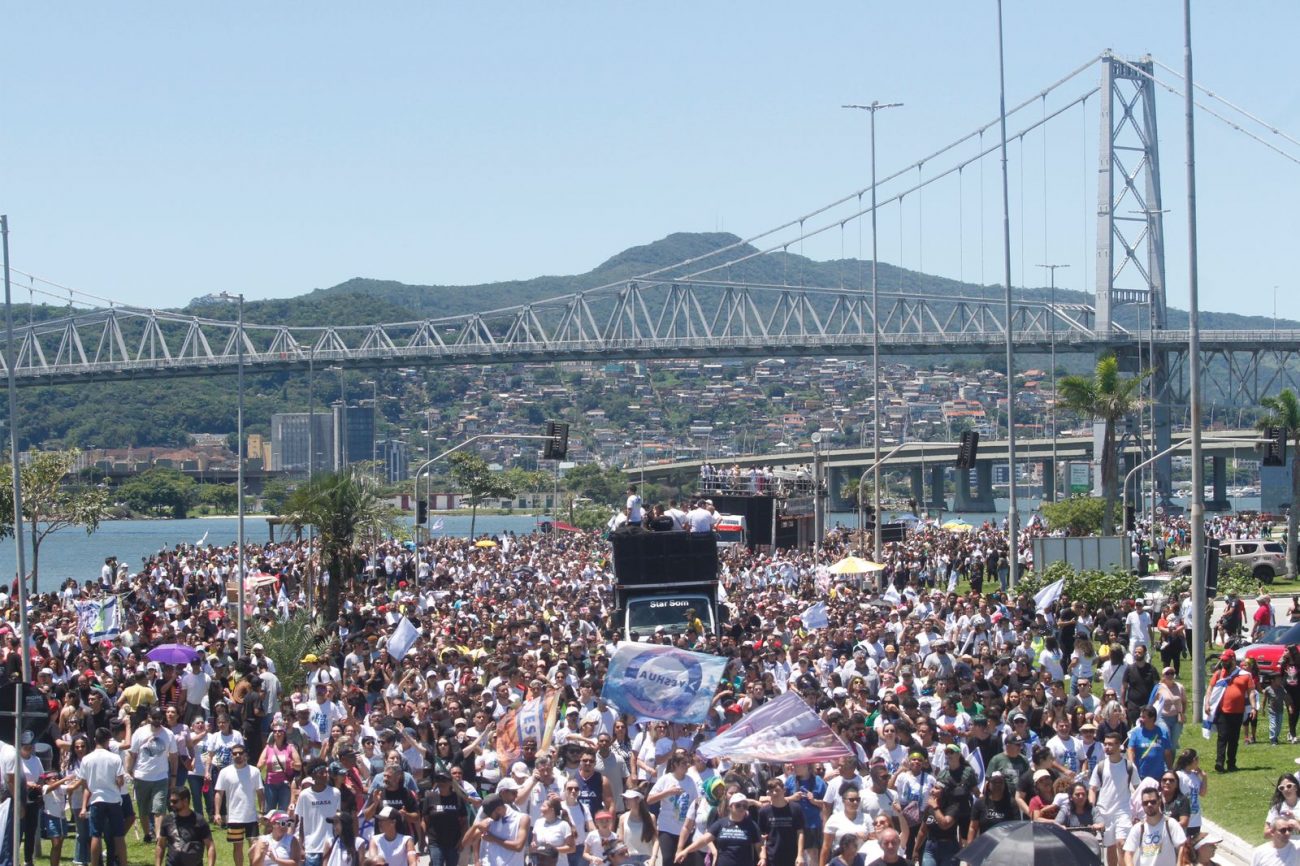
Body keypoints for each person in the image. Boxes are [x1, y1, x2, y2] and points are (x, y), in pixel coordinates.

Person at [76, 726, 129, 866]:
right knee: (119, 835)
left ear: (95, 740)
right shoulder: (115, 758)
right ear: (107, 741)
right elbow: (120, 781)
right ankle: (123, 863)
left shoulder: (86, 759)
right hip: (113, 799)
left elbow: (83, 782)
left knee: (96, 835)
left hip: (96, 800)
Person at [129, 706, 179, 845]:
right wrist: (129, 770)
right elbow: (132, 753)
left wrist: (173, 776)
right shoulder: (139, 733)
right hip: (141, 776)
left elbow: (174, 757)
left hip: (161, 777)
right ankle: (147, 834)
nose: (156, 720)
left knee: (159, 808)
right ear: (148, 717)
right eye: (154, 717)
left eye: (159, 718)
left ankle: (158, 836)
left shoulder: (168, 734)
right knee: (143, 809)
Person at [1090, 732, 1139, 866]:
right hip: (1104, 810)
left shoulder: (1129, 766)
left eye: (1111, 744)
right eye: (1105, 744)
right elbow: (1093, 789)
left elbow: (1138, 788)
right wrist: (1091, 807)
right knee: (1110, 847)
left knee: (1122, 843)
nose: (1107, 747)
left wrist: (1138, 811)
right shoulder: (1100, 766)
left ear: (1119, 746)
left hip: (1123, 810)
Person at [674, 793, 761, 866]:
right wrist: (686, 850)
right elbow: (704, 840)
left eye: (745, 806)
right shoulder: (721, 824)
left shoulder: (751, 825)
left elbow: (759, 846)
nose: (741, 808)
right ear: (730, 807)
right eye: (738, 805)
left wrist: (763, 858)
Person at [215, 741, 265, 866]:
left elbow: (260, 793)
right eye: (234, 753)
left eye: (240, 753)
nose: (237, 755)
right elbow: (219, 793)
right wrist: (217, 813)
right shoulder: (225, 772)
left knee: (254, 846)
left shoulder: (254, 771)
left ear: (245, 755)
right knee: (237, 847)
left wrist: (262, 811)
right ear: (231, 755)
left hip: (251, 816)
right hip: (234, 817)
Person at [1204, 649, 1255, 773]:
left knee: (1234, 738)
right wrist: (1207, 703)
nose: (1223, 662)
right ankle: (1219, 762)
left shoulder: (1245, 675)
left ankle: (1231, 763)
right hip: (1222, 711)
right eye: (1222, 660)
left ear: (1233, 660)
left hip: (1238, 712)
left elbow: (1251, 692)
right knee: (1223, 737)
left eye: (1225, 660)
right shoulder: (1219, 674)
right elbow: (1210, 689)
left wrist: (1253, 707)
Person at [293, 760, 341, 866]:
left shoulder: (335, 793)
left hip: (330, 845)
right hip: (311, 847)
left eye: (327, 772)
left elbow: (338, 819)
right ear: (313, 776)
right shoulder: (304, 795)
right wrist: (300, 846)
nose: (325, 775)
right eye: (321, 772)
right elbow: (301, 822)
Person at [1122, 788, 1185, 866]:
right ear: (1142, 805)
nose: (1149, 805)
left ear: (1159, 801)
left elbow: (1182, 846)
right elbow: (1128, 853)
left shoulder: (1170, 823)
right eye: (1145, 803)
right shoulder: (1138, 828)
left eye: (1153, 802)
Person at [156, 786, 216, 866]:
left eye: (174, 801)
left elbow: (210, 846)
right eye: (170, 801)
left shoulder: (199, 821)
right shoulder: (167, 820)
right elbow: (160, 845)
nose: (171, 804)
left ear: (185, 801)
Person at [464, 794, 530, 866]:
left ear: (499, 809)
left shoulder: (522, 818)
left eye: (490, 814)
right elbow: (466, 843)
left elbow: (518, 846)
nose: (489, 816)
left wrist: (493, 839)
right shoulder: (488, 821)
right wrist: (475, 826)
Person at [422, 771, 471, 866]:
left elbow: (464, 822)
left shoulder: (458, 799)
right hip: (435, 841)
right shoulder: (430, 798)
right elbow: (425, 820)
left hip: (453, 842)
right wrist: (423, 838)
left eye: (444, 780)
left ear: (450, 782)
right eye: (438, 780)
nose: (441, 783)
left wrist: (461, 840)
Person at [758, 778, 805, 866]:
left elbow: (800, 833)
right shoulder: (764, 812)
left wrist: (800, 855)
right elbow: (762, 836)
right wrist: (763, 857)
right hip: (772, 856)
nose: (774, 793)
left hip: (792, 856)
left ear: (784, 790)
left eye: (777, 790)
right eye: (771, 791)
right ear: (768, 793)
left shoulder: (795, 808)